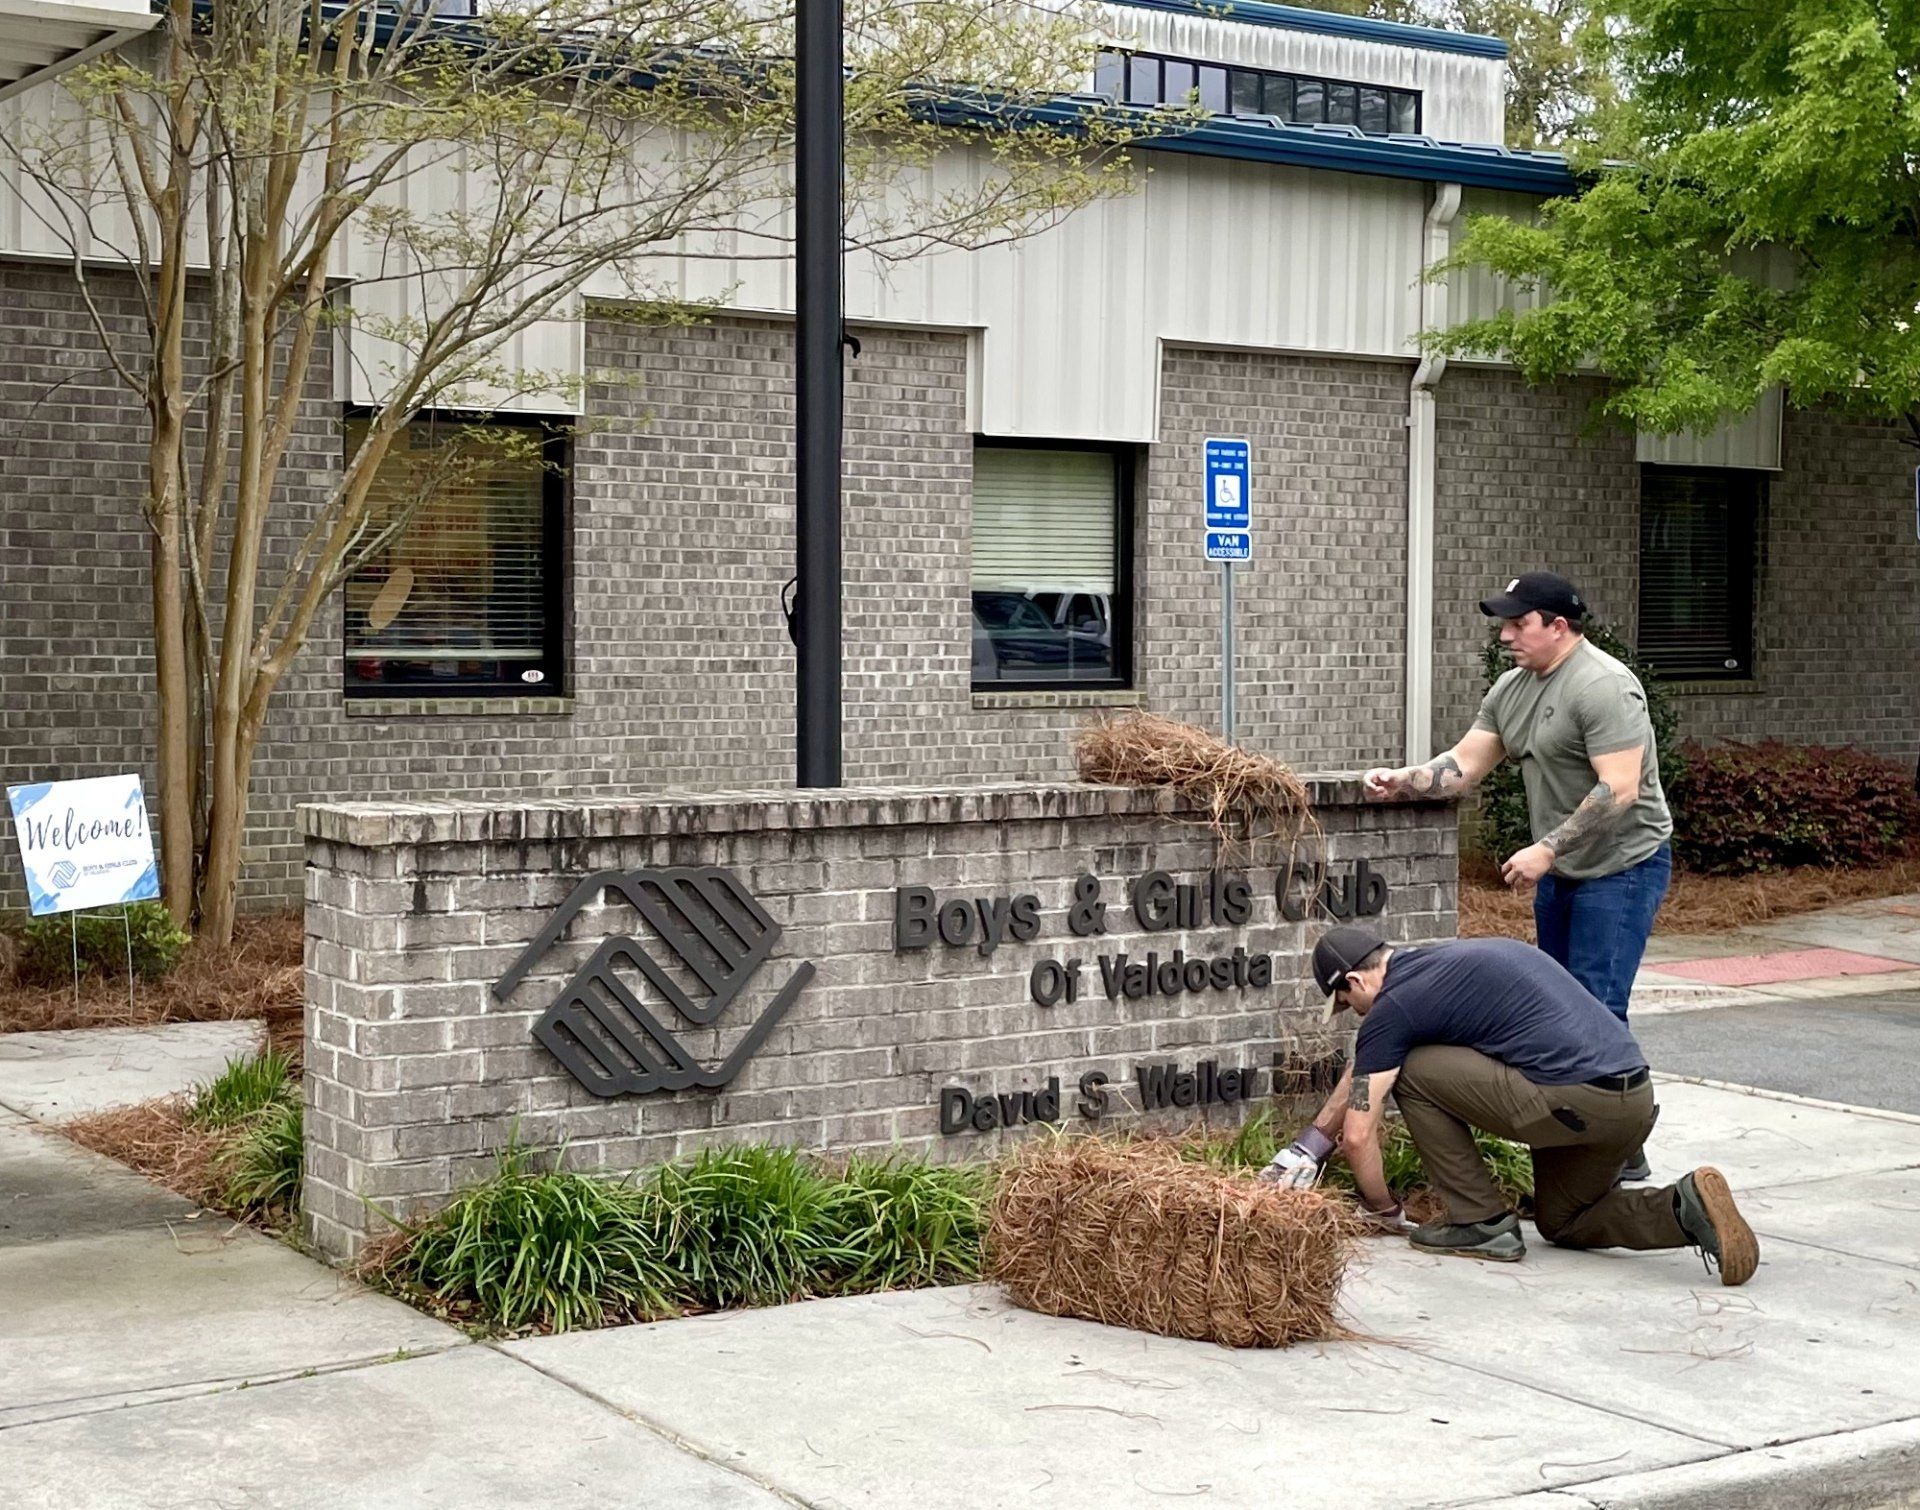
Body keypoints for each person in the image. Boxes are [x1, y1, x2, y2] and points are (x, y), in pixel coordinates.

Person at [1361, 571, 1674, 1181]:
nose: (1506, 635)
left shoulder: (1605, 688)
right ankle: (1601, 1141)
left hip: (1622, 867)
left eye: (1517, 623)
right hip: (1563, 867)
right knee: (1558, 1006)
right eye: (1504, 623)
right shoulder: (1513, 687)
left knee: (1597, 1004)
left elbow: (1621, 788)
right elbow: (1463, 766)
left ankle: (1611, 1154)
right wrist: (1406, 778)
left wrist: (1547, 851)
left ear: (1558, 626)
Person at [1261, 925, 1758, 1286]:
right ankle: (1685, 1206)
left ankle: (1480, 1222)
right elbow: (1367, 1065)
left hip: (1571, 1101)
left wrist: (1384, 1210)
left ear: (1354, 982)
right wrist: (1308, 1144)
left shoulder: (1395, 1008)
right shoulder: (1446, 968)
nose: (1351, 1015)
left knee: (1412, 1071)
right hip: (1630, 1102)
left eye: (1346, 1004)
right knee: (1566, 1222)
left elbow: (1359, 1133)